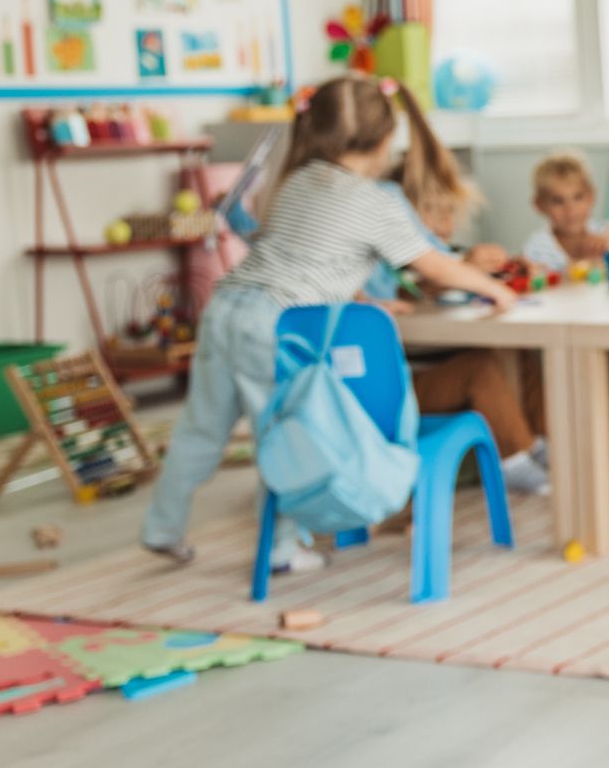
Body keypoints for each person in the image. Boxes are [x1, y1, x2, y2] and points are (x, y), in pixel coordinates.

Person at [140, 74, 515, 571]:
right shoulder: (375, 201)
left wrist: (359, 297)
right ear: (385, 139)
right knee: (287, 428)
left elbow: (315, 255)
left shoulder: (298, 180)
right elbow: (433, 265)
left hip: (228, 305)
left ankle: (162, 527)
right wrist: (494, 288)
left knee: (200, 429)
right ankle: (281, 549)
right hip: (275, 323)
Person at [367, 176, 549, 497]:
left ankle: (538, 443)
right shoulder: (392, 265)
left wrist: (509, 267)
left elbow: (453, 273)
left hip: (424, 369)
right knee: (479, 368)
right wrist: (458, 270)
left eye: (449, 213)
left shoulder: (446, 256)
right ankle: (515, 458)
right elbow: (415, 287)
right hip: (400, 386)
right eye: (429, 212)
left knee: (518, 352)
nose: (442, 223)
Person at [522, 150, 609, 273]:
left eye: (578, 197)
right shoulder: (537, 247)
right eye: (558, 201)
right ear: (540, 205)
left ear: (591, 196)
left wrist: (608, 247)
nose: (570, 209)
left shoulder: (603, 233)